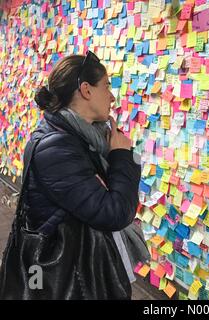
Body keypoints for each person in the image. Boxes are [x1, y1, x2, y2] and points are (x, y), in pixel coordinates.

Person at [20, 51, 141, 299]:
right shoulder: (56, 149)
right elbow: (114, 213)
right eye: (106, 86)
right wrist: (120, 157)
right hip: (68, 280)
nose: (112, 96)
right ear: (86, 90)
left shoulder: (82, 138)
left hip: (86, 268)